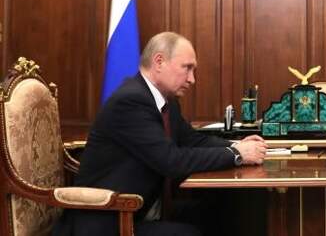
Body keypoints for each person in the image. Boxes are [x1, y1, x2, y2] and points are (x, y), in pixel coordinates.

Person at [53, 31, 267, 236]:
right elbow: (171, 161)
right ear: (159, 62)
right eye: (187, 68)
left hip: (140, 209)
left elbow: (192, 139)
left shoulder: (166, 101)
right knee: (189, 232)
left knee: (225, 211)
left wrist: (236, 145)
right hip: (109, 220)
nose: (192, 79)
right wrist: (236, 155)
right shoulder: (130, 101)